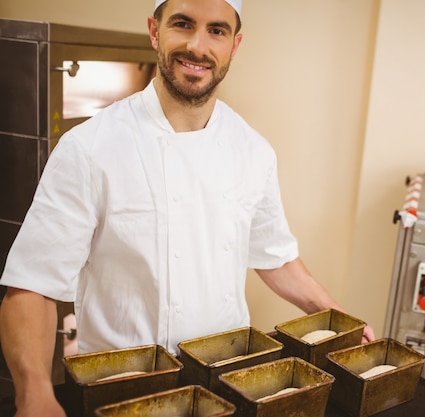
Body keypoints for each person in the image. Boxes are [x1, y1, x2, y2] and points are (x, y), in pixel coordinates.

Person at [0, 0, 375, 415]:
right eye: (183, 24)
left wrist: (339, 318)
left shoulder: (253, 151)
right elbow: (31, 286)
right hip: (120, 393)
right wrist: (34, 392)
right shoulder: (89, 149)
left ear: (235, 45)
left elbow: (276, 257)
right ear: (154, 30)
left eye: (216, 30)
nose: (198, 46)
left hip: (227, 388)